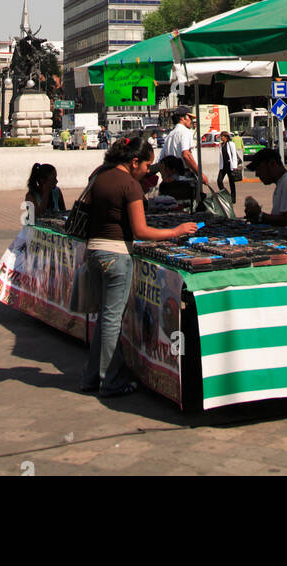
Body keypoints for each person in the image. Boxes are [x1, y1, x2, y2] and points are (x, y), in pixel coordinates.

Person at [80, 136, 197, 398]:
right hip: (115, 255)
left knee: (104, 318)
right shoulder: (130, 186)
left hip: (94, 252)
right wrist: (175, 231)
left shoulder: (99, 177)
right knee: (111, 320)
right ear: (134, 162)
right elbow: (140, 230)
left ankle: (91, 377)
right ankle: (109, 381)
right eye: (146, 165)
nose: (148, 171)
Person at [243, 148, 287, 233]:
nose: (257, 174)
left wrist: (260, 216)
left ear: (272, 164)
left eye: (259, 169)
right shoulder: (283, 183)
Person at [160, 108, 211, 189]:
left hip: (172, 177)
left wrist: (165, 177)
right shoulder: (185, 132)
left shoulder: (170, 135)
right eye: (190, 118)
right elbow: (186, 155)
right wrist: (200, 174)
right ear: (182, 118)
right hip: (185, 176)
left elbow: (161, 160)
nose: (191, 121)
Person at [217, 131, 240, 203]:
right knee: (219, 181)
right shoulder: (221, 145)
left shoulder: (231, 144)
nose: (221, 138)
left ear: (226, 137)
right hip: (223, 166)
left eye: (222, 136)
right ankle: (225, 195)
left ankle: (233, 199)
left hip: (230, 166)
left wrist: (234, 166)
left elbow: (234, 155)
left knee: (231, 183)